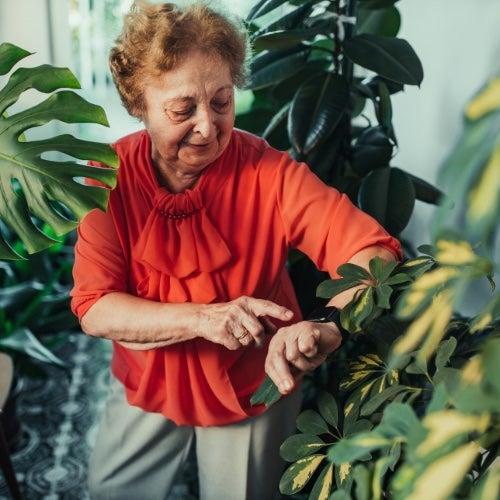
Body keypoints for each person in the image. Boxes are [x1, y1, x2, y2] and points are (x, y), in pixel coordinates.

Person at [70, 1, 404, 499]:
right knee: (110, 489)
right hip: (150, 376)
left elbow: (373, 249)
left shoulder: (268, 173)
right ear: (137, 103)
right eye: (183, 109)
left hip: (249, 382)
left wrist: (328, 323)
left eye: (221, 102)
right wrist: (204, 319)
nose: (208, 127)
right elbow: (95, 308)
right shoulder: (108, 180)